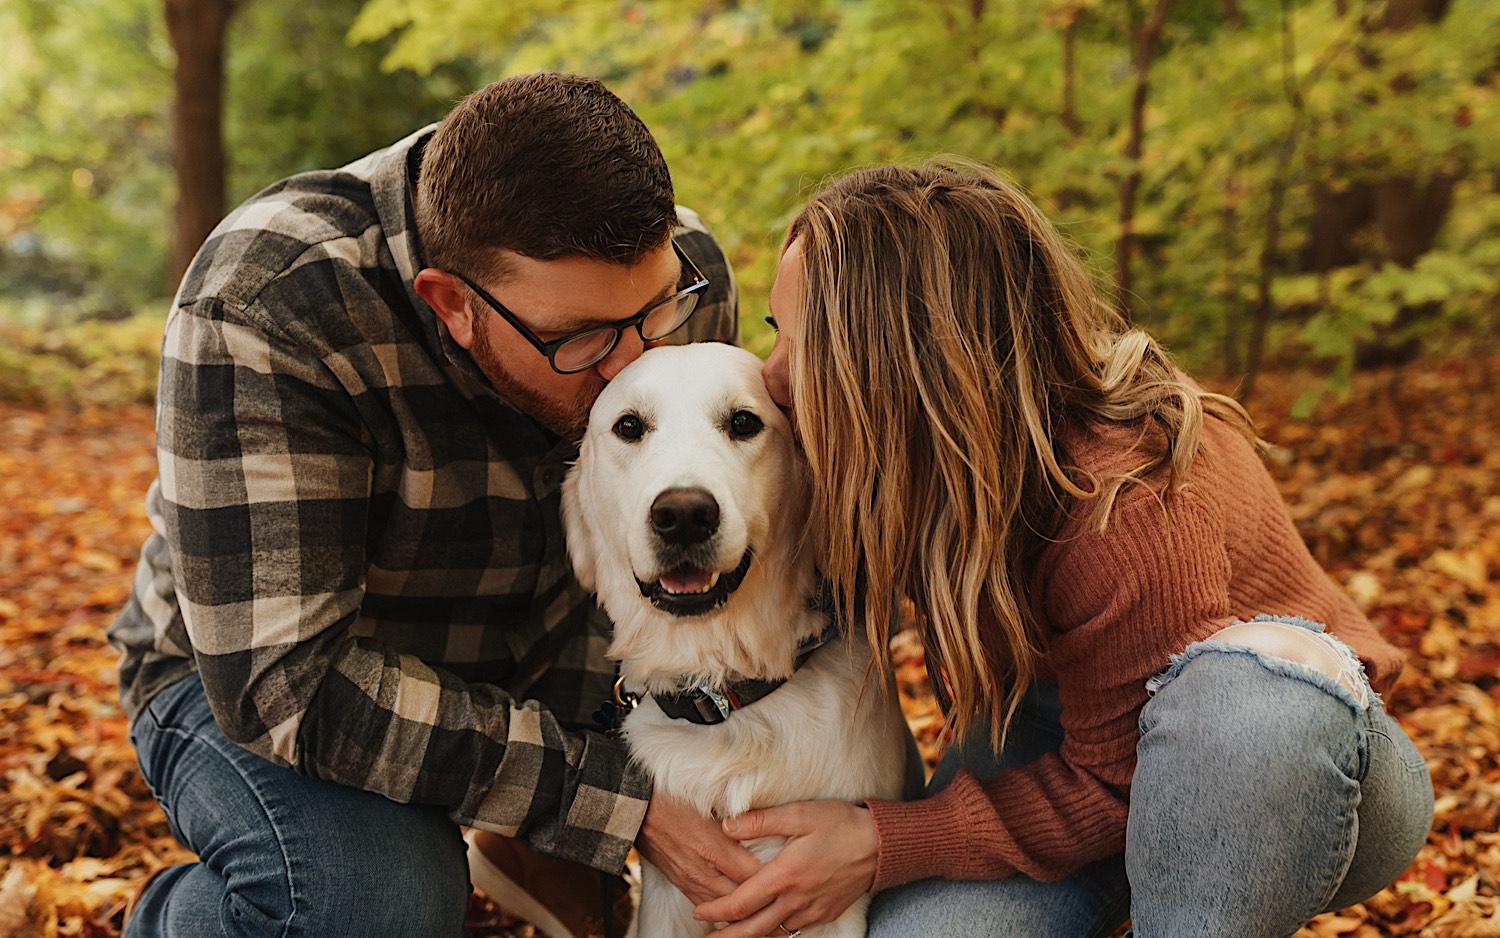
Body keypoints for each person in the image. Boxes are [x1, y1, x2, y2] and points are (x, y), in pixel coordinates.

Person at [677, 160, 1435, 937]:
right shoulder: (899, 468)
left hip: (1283, 756)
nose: (769, 379)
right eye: (776, 334)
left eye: (805, 347)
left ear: (901, 366)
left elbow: (1124, 779)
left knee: (1245, 708)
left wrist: (882, 841)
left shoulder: (1124, 500)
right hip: (1056, 745)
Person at [108, 72, 739, 937]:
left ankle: (529, 850)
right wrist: (610, 801)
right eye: (581, 340)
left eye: (653, 315)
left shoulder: (676, 286)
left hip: (561, 653)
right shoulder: (267, 301)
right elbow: (287, 689)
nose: (632, 366)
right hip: (264, 678)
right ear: (452, 304)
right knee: (372, 903)